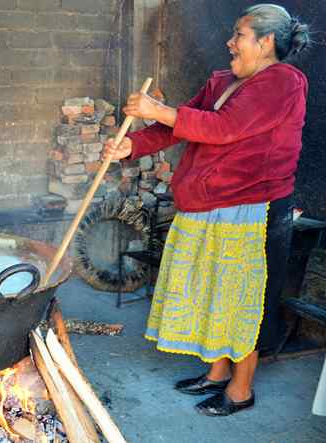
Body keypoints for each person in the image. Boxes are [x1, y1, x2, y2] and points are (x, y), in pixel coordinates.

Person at [103, 4, 311, 416]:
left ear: (266, 42)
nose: (229, 42)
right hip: (207, 204)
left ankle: (241, 389)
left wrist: (155, 108)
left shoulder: (284, 82)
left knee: (241, 300)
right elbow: (178, 125)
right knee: (212, 291)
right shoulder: (223, 81)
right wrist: (133, 146)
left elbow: (223, 129)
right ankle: (217, 373)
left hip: (252, 208)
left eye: (239, 34)